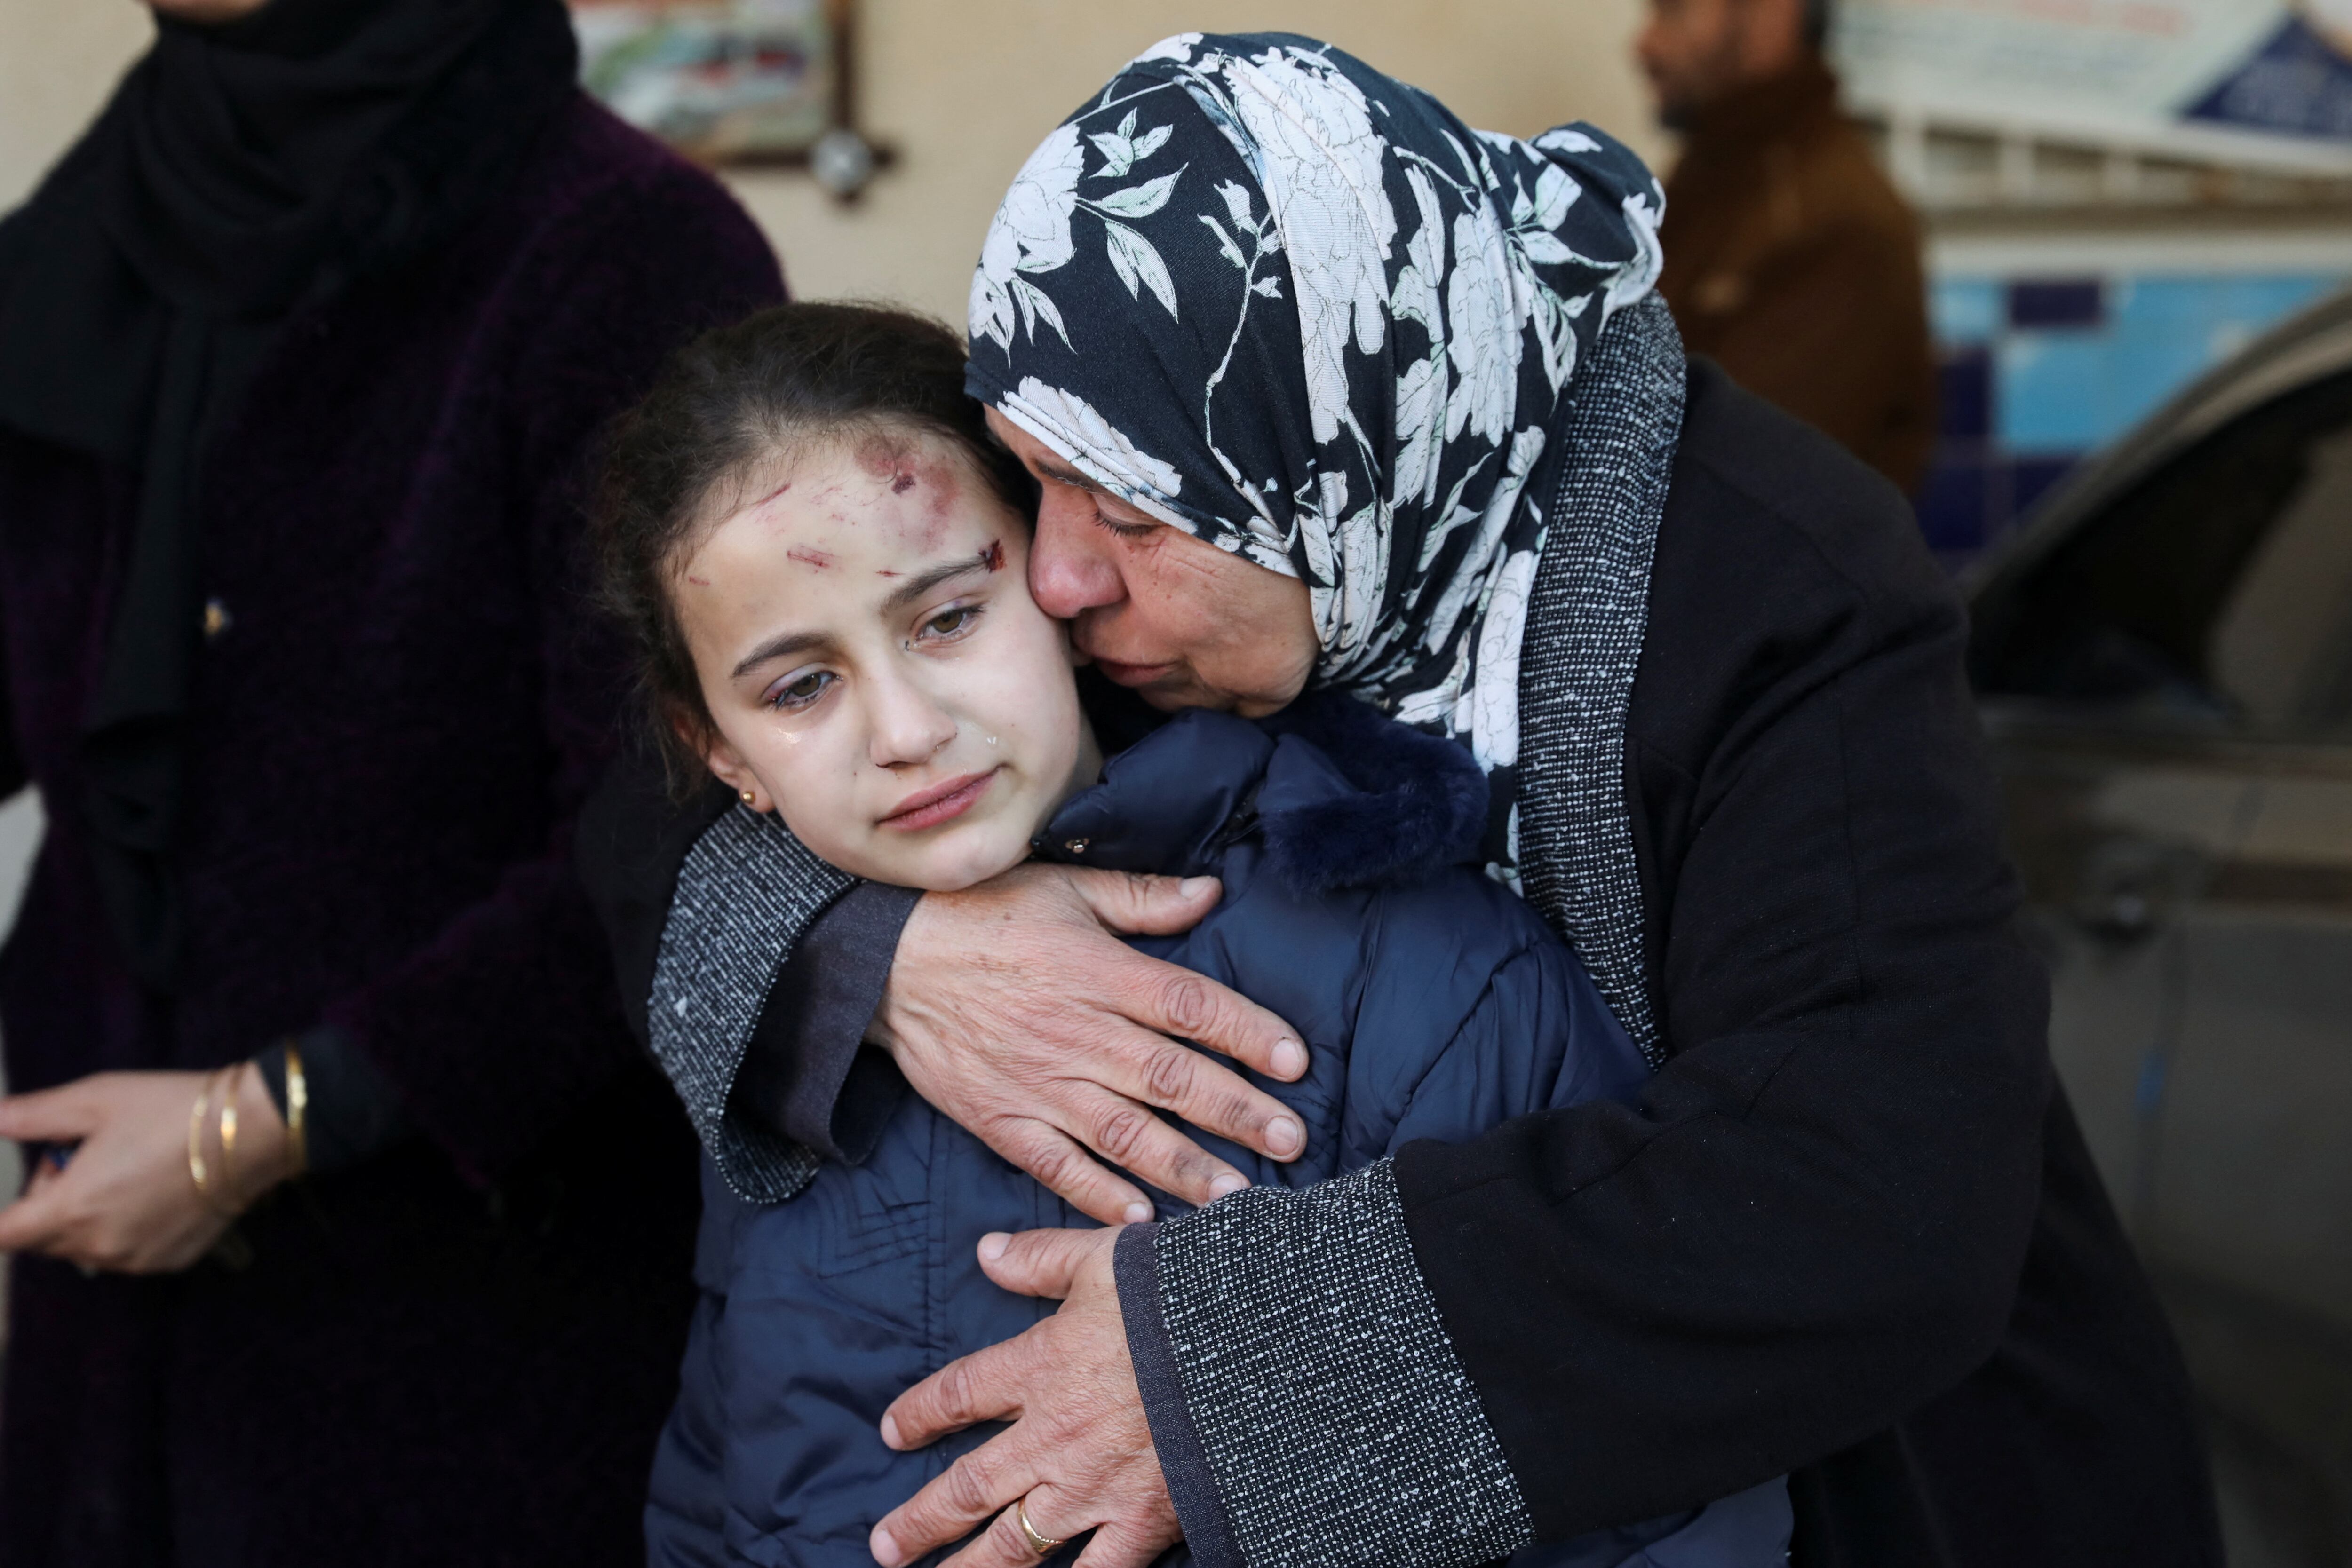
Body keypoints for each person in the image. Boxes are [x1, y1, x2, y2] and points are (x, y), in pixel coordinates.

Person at [580, 32, 2220, 1568]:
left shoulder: (1763, 588)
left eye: (1125, 515)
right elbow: (677, 769)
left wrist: (1224, 1384)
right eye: (1038, 485)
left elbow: (1880, 1193)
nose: (1060, 577)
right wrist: (887, 950)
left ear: (1327, 460)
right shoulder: (1182, 532)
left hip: (1917, 1488)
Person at [588, 301, 1792, 1567]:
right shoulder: (776, 1063)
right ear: (721, 751)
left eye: (948, 617)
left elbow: (1656, 1500)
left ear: (1059, 578)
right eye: (800, 685)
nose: (904, 728)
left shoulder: (1429, 978)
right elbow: (717, 1500)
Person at [0, 0, 782, 1560]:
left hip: (472, 1281)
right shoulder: (97, 227)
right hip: (107, 1262)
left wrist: (262, 1122)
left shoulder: (625, 247)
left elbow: (678, 827)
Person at [1637, 0, 1935, 491]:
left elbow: (1735, 480)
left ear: (1771, 17)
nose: (1643, 43)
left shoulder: (1834, 220)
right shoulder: (1719, 178)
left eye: (1673, 10)